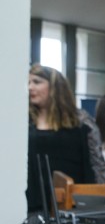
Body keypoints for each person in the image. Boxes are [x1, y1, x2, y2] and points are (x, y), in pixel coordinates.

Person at [26, 64, 97, 212]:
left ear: (54, 87)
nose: (30, 87)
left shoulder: (80, 125)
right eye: (28, 83)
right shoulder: (24, 124)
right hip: (32, 207)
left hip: (70, 207)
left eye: (37, 82)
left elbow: (94, 167)